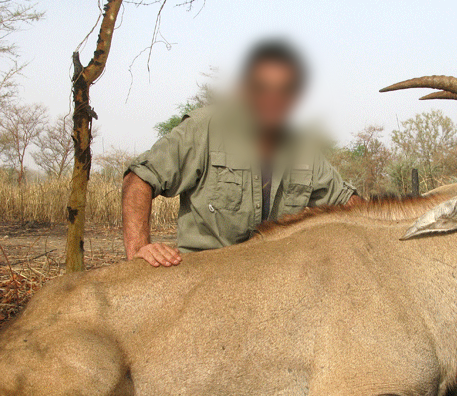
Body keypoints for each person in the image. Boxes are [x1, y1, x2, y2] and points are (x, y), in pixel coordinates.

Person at [122, 40, 358, 266]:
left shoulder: (304, 148)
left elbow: (350, 203)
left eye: (284, 90)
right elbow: (140, 178)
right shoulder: (205, 127)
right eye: (262, 88)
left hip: (274, 278)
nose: (273, 99)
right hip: (204, 276)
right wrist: (139, 249)